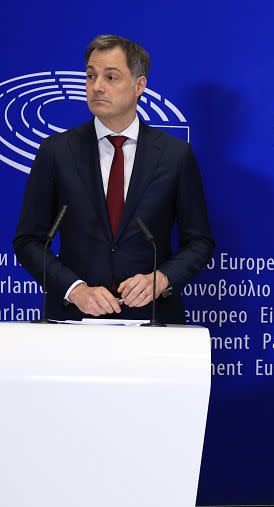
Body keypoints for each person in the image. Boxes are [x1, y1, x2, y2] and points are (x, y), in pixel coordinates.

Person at [14, 35, 214, 324]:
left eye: (111, 77)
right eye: (91, 76)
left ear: (139, 85)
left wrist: (162, 279)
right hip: (73, 319)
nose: (96, 86)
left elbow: (199, 242)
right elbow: (28, 240)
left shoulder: (174, 155)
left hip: (152, 320)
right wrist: (75, 290)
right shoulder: (56, 151)